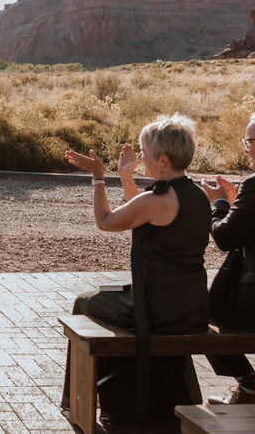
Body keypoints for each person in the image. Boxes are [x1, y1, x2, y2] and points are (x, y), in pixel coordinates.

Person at [62, 114, 211, 428]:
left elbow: (106, 221)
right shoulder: (196, 195)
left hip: (155, 310)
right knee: (105, 296)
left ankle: (88, 402)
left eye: (144, 153)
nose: (140, 158)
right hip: (190, 305)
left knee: (85, 302)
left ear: (163, 161)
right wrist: (125, 177)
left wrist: (99, 178)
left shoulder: (158, 199)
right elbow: (143, 211)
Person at [198, 112, 255, 404]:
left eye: (249, 141)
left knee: (200, 320)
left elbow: (225, 237)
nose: (246, 147)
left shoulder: (254, 184)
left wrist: (219, 203)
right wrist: (237, 207)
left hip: (251, 304)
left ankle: (249, 383)